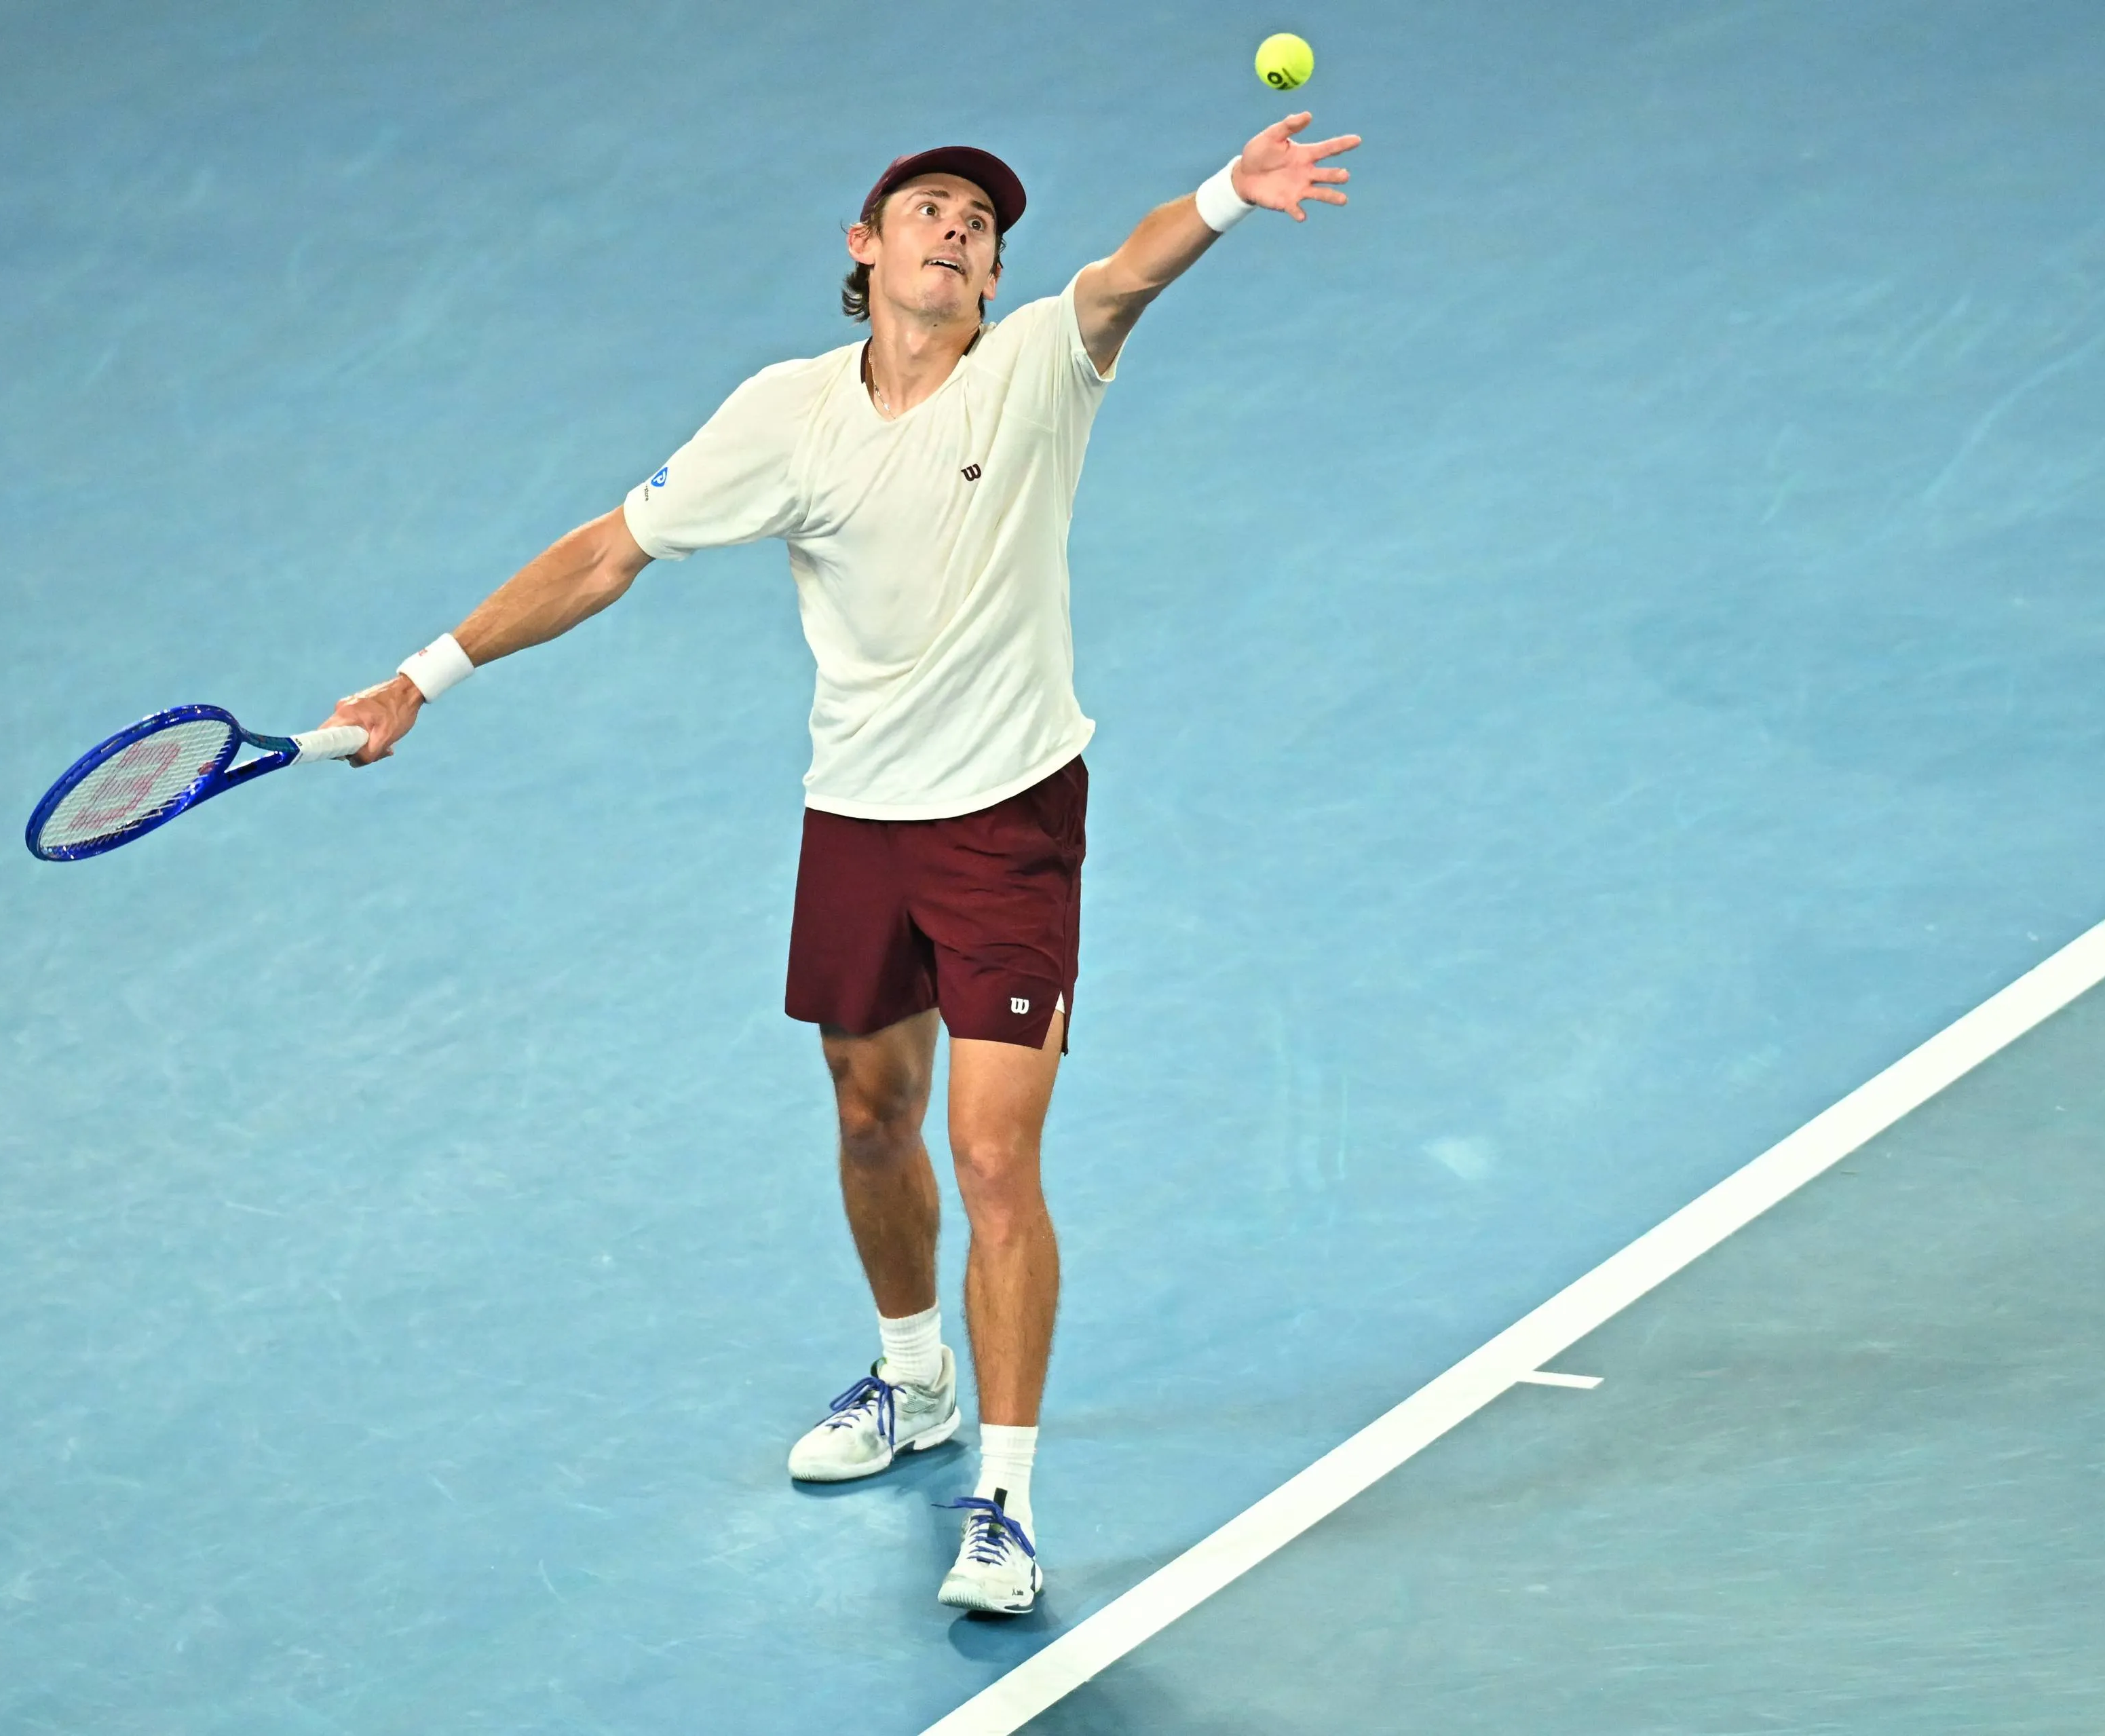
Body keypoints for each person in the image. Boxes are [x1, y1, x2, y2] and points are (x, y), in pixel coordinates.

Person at [321, 113, 1360, 1616]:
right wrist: (426, 675)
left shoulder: (1035, 371)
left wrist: (1227, 198)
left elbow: (1126, 277)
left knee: (996, 1155)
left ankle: (1000, 1499)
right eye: (926, 209)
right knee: (876, 1119)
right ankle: (913, 1374)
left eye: (980, 225)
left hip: (1010, 820)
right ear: (865, 249)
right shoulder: (784, 414)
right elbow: (611, 549)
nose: (957, 230)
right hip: (858, 820)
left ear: (995, 277)